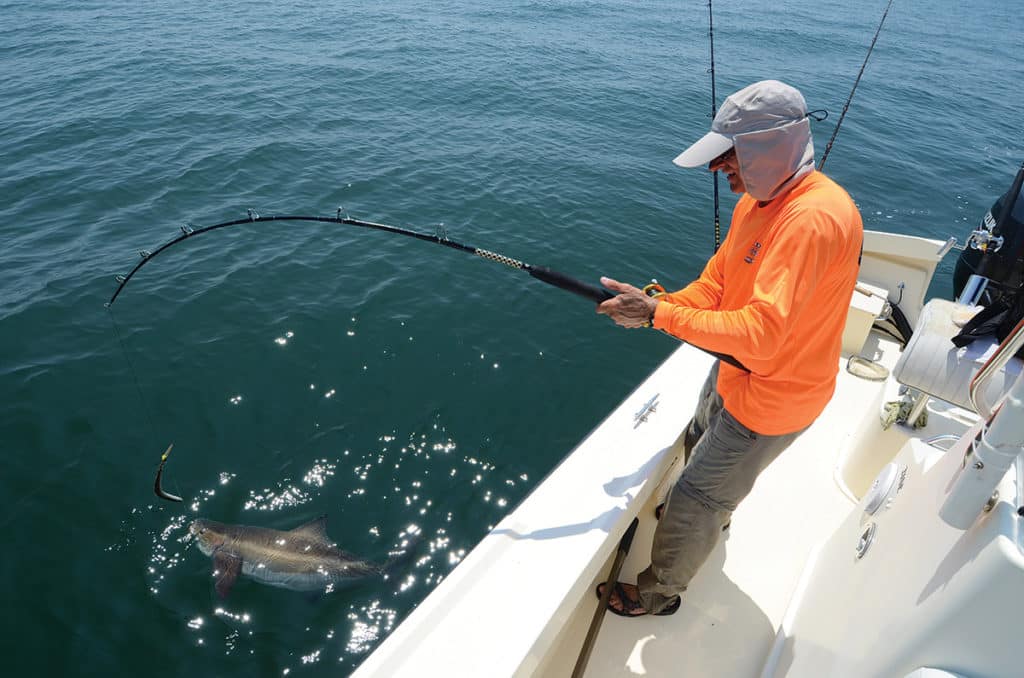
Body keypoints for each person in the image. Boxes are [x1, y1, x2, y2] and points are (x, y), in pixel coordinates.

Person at [595, 80, 864, 616]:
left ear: (770, 148)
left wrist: (661, 316)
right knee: (699, 433)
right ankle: (712, 508)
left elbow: (763, 333)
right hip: (734, 369)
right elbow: (715, 287)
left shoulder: (811, 219)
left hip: (776, 396)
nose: (721, 168)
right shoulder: (760, 203)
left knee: (698, 499)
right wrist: (656, 306)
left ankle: (657, 593)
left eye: (730, 155)